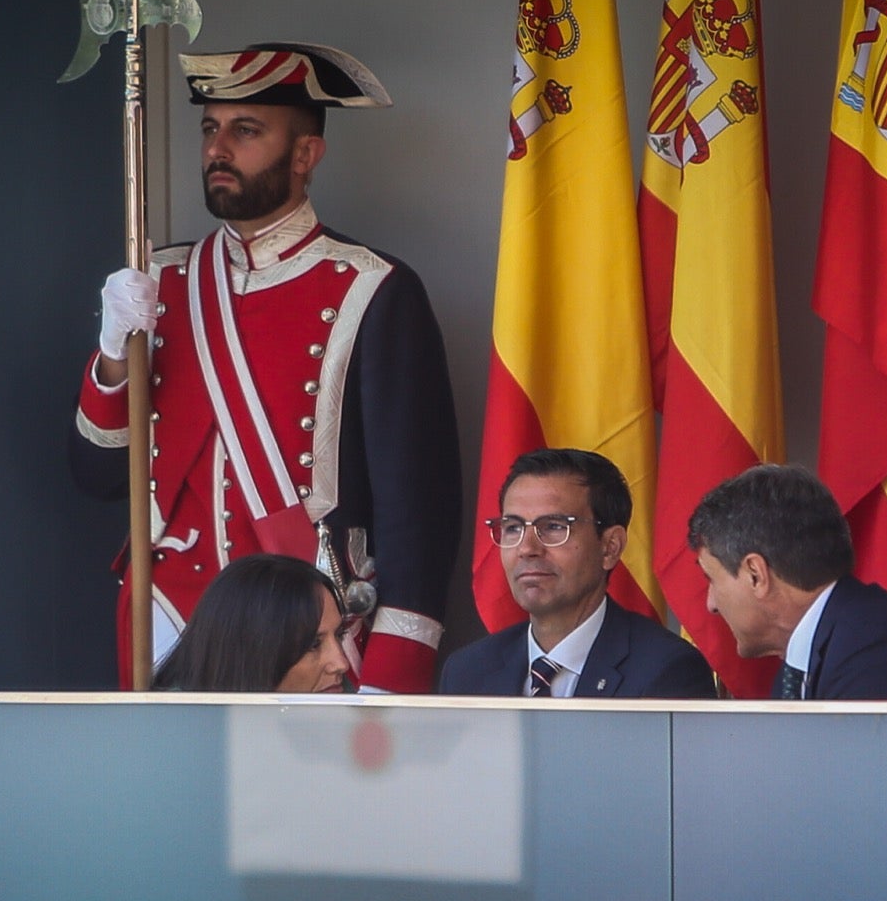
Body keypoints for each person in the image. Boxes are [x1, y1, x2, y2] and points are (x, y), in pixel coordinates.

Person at [71, 42, 461, 693]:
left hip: (315, 630)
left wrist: (392, 677)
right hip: (171, 621)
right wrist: (112, 354)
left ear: (306, 155)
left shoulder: (373, 287)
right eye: (210, 129)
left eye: (246, 130)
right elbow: (96, 475)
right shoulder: (160, 281)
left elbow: (419, 512)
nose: (218, 149)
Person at [687, 464, 887, 701]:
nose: (711, 603)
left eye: (711, 580)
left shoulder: (880, 662)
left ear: (756, 574)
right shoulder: (829, 651)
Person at [441, 448, 717, 699]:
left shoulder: (667, 670)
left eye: (553, 527)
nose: (526, 548)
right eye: (513, 527)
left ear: (610, 547)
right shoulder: (468, 671)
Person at [152, 554, 350, 693]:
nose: (341, 663)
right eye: (313, 644)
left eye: (339, 636)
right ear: (251, 650)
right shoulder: (173, 746)